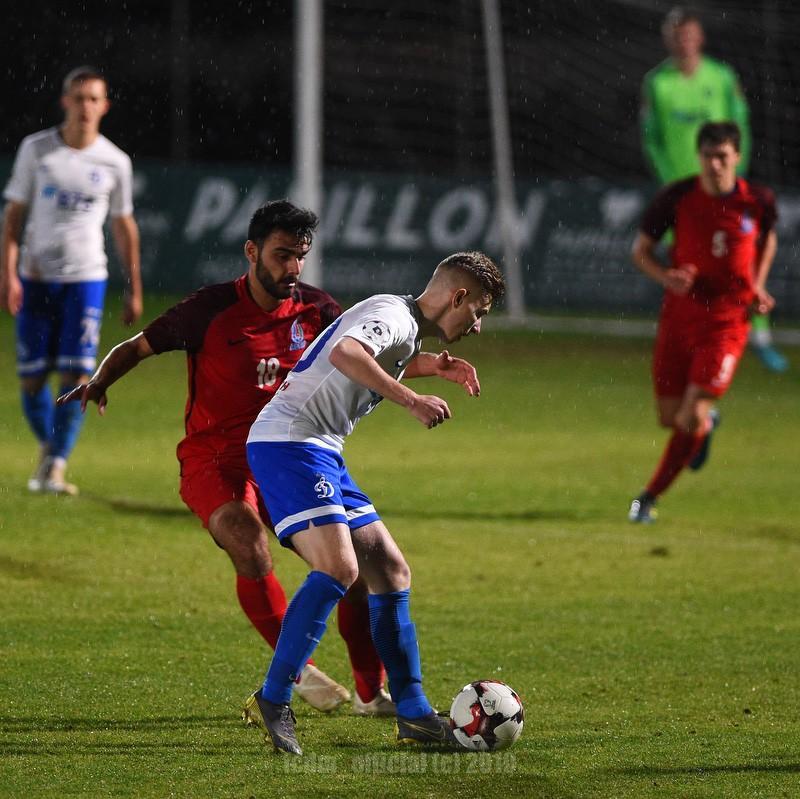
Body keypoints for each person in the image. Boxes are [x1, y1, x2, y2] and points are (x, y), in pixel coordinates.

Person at [58, 200, 393, 715]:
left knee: (352, 571)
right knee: (245, 537)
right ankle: (299, 670)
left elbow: (367, 358)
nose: (293, 267)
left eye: (300, 256)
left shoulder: (318, 310)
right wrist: (100, 381)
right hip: (215, 460)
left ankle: (372, 693)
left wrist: (427, 367)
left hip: (287, 458)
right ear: (251, 252)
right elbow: (138, 346)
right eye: (281, 255)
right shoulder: (209, 309)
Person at [242, 250, 505, 755]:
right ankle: (274, 697)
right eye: (480, 312)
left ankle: (413, 712)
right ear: (459, 297)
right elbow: (346, 353)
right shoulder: (393, 315)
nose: (477, 326)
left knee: (389, 569)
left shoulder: (404, 325)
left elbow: (374, 357)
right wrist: (412, 400)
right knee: (339, 569)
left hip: (321, 450)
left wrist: (430, 367)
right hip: (290, 443)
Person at [0, 66, 143, 495]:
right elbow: (13, 217)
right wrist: (9, 275)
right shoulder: (37, 149)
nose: (85, 106)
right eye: (78, 98)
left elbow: (124, 225)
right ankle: (50, 449)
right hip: (36, 277)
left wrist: (133, 287)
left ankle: (57, 464)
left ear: (105, 106)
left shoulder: (115, 161)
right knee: (32, 380)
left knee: (79, 376)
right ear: (65, 101)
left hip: (86, 280)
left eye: (93, 99)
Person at [628, 122, 778, 523]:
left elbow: (768, 238)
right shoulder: (676, 197)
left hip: (728, 323)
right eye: (708, 156)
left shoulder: (757, 200)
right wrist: (667, 277)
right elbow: (640, 251)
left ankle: (648, 498)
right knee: (670, 418)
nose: (715, 165)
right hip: (679, 320)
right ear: (699, 157)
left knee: (690, 415)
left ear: (737, 157)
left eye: (722, 156)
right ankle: (705, 426)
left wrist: (758, 285)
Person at [640, 7, 787, 373]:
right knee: (686, 262)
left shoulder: (721, 77)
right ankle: (694, 334)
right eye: (677, 36)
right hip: (684, 195)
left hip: (725, 191)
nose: (684, 42)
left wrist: (736, 176)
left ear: (700, 38)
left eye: (689, 34)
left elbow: (741, 126)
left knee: (743, 258)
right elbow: (652, 139)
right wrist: (669, 182)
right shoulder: (657, 83)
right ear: (668, 39)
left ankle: (759, 336)